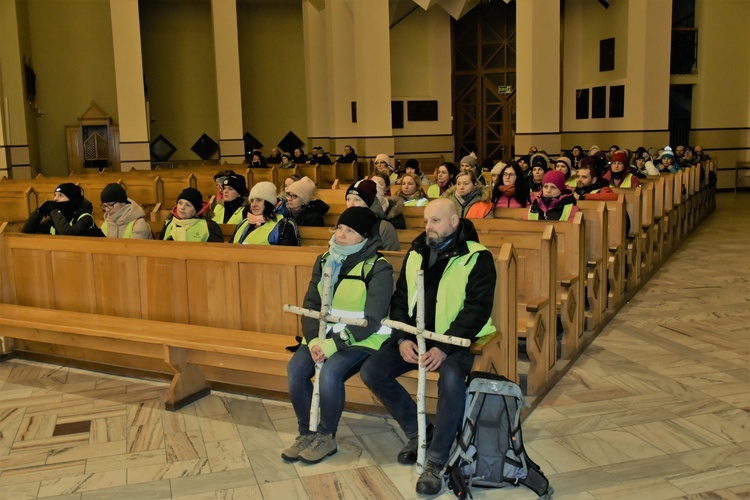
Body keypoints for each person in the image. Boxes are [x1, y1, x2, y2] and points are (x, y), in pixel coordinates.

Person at [360, 198, 496, 496]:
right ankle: (419, 431)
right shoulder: (417, 250)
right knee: (372, 370)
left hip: (456, 342)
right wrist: (402, 338)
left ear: (454, 222)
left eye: (435, 221)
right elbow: (400, 298)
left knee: (449, 377)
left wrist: (444, 348)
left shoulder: (477, 256)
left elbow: (477, 308)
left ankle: (436, 458)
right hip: (416, 337)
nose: (428, 227)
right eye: (425, 221)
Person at [282, 207, 394, 464]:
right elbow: (310, 304)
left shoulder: (378, 267)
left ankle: (326, 436)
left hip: (361, 339)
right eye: (340, 228)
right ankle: (306, 432)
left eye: (350, 231)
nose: (341, 235)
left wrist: (331, 346)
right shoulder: (324, 259)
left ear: (364, 237)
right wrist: (312, 341)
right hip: (322, 336)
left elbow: (373, 319)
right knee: (296, 369)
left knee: (331, 373)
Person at [22, 183, 104, 237]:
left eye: (60, 195)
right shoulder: (60, 215)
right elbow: (27, 231)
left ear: (72, 199)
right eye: (55, 195)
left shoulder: (85, 217)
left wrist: (54, 211)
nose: (55, 199)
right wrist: (40, 211)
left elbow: (68, 234)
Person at [232, 181, 299, 245]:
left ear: (269, 203)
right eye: (252, 201)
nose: (254, 205)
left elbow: (287, 254)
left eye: (259, 200)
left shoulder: (283, 226)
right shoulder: (243, 223)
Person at [345, 180, 400, 251]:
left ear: (370, 203)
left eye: (357, 199)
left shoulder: (383, 227)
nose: (351, 204)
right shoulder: (342, 224)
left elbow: (392, 258)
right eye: (348, 199)